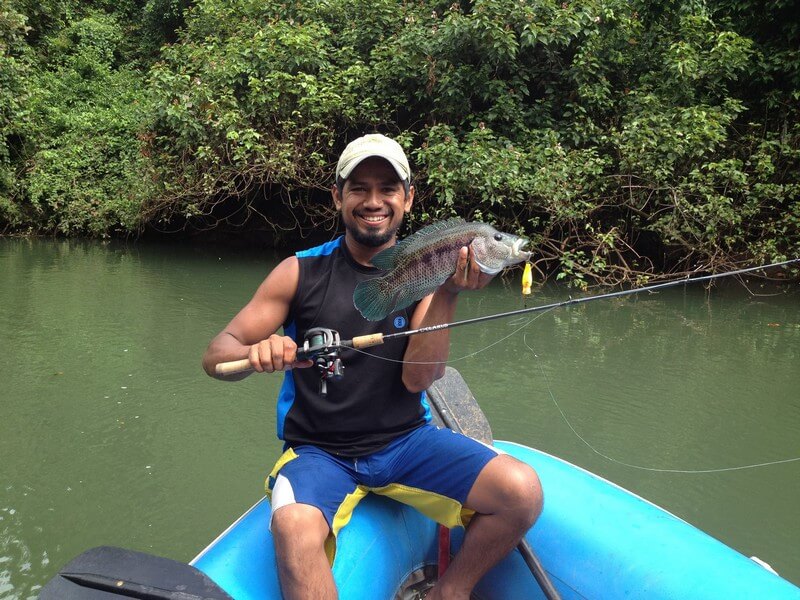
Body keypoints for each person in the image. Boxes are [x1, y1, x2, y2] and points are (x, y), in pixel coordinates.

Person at [202, 133, 543, 600]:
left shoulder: (429, 274)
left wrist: (446, 291)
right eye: (359, 188)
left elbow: (418, 379)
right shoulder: (299, 272)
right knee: (293, 526)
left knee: (521, 490)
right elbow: (217, 353)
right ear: (338, 196)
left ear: (407, 198)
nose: (374, 201)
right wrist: (256, 353)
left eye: (388, 188)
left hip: (405, 442)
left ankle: (450, 591)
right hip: (319, 451)